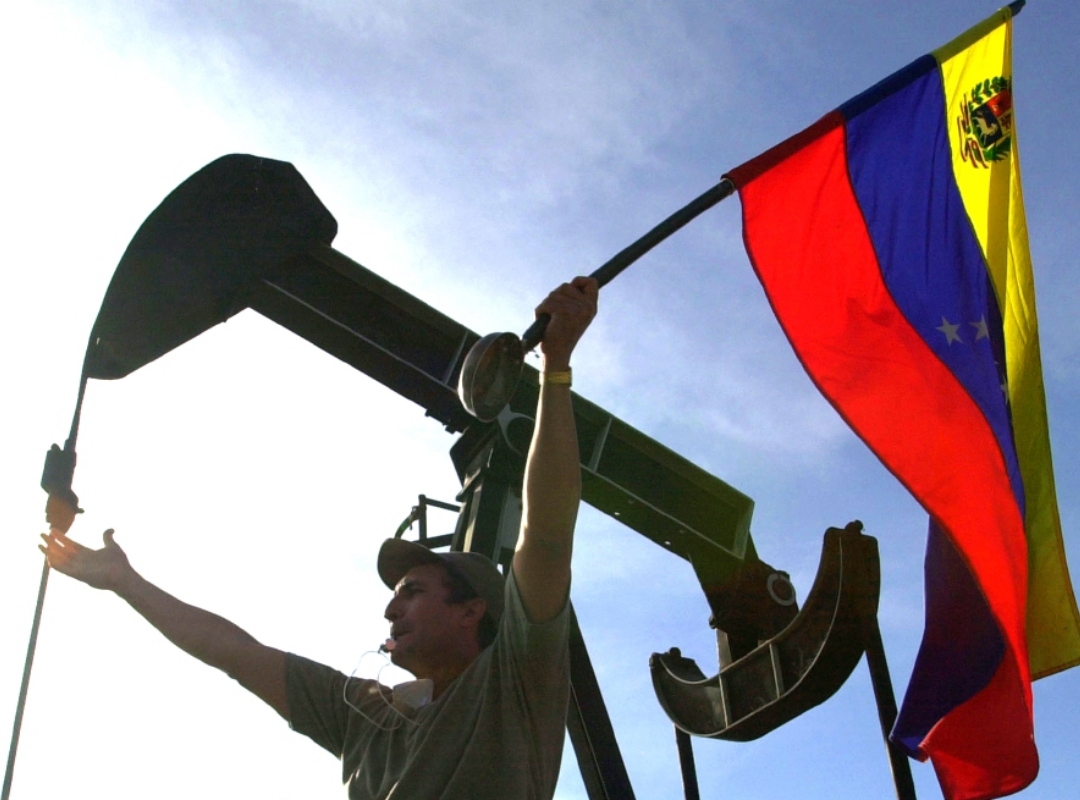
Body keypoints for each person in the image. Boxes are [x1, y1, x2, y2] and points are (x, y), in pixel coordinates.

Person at [39, 276, 599, 800]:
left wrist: (555, 368)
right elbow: (233, 651)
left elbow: (546, 533)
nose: (389, 608)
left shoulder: (516, 682)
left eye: (413, 592)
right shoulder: (363, 711)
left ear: (472, 610)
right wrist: (124, 582)